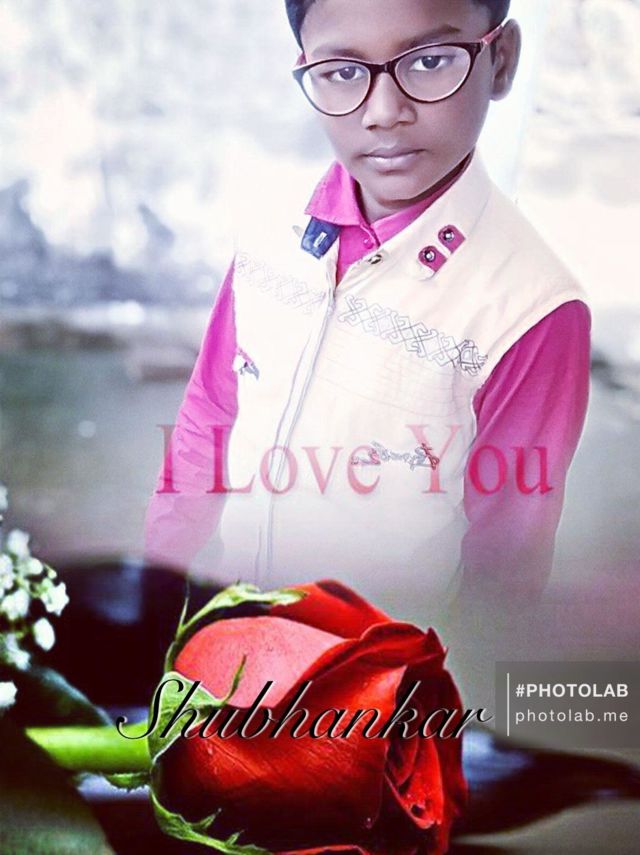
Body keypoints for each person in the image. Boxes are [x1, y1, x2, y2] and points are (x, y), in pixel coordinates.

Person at [144, 0, 591, 621]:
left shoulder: (532, 308)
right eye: (342, 72)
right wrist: (157, 590)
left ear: (502, 60)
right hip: (229, 631)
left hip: (380, 668)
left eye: (430, 61)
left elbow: (504, 567)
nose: (384, 112)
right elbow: (212, 412)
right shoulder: (270, 225)